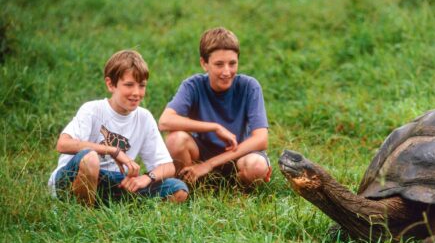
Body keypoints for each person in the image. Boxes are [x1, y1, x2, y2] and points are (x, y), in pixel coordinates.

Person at [48, 50, 189, 205]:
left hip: (116, 182)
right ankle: (82, 215)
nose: (136, 93)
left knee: (178, 189)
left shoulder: (144, 117)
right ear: (110, 84)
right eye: (129, 85)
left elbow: (168, 166)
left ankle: (118, 209)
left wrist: (147, 178)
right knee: (90, 159)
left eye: (142, 86)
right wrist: (113, 150)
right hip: (72, 178)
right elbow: (63, 144)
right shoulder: (92, 109)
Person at [158, 27, 271, 186]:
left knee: (257, 166)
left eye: (232, 63)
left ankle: (237, 192)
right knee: (175, 140)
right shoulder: (193, 85)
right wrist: (214, 127)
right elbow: (164, 121)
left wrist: (209, 164)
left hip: (239, 154)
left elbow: (261, 139)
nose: (226, 71)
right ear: (204, 63)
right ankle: (192, 186)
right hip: (203, 153)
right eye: (219, 64)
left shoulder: (249, 86)